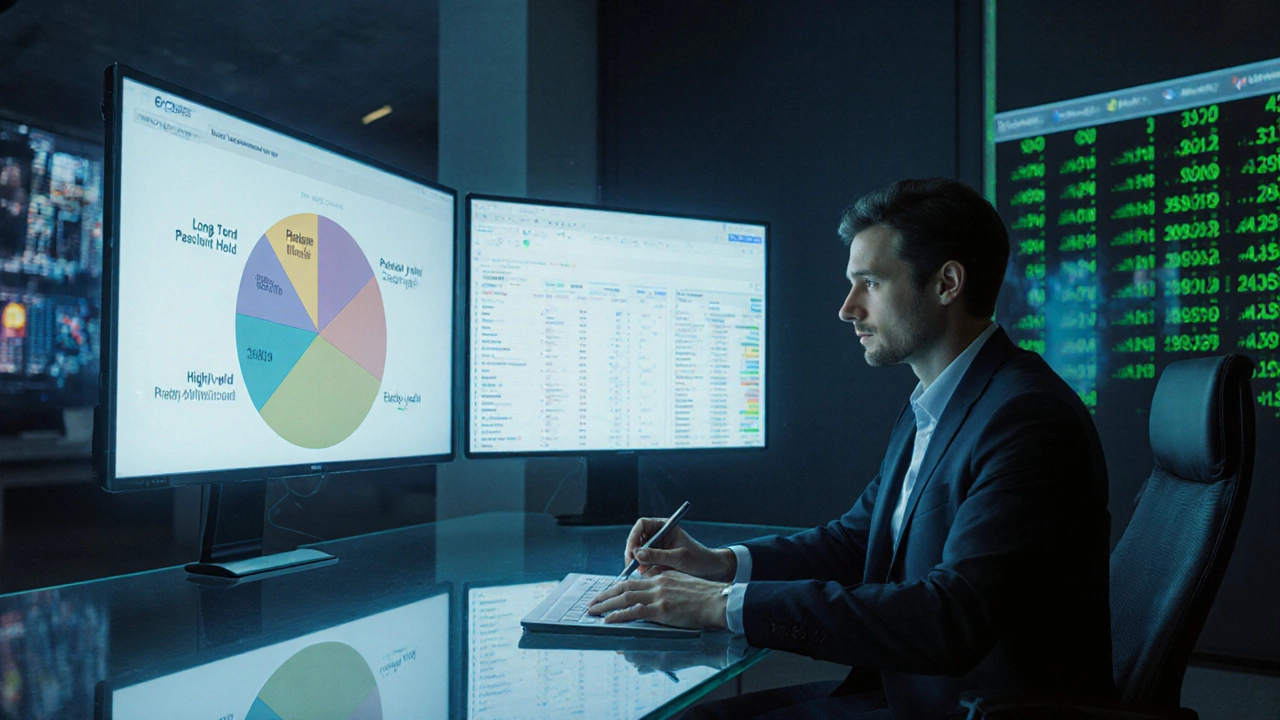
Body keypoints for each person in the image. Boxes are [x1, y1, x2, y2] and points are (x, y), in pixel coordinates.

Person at [587, 178, 1114, 719]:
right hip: (912, 694)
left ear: (947, 283)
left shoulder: (1026, 418)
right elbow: (856, 542)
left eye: (869, 283)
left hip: (969, 710)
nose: (846, 308)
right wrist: (719, 566)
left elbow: (949, 618)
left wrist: (721, 606)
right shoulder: (941, 403)